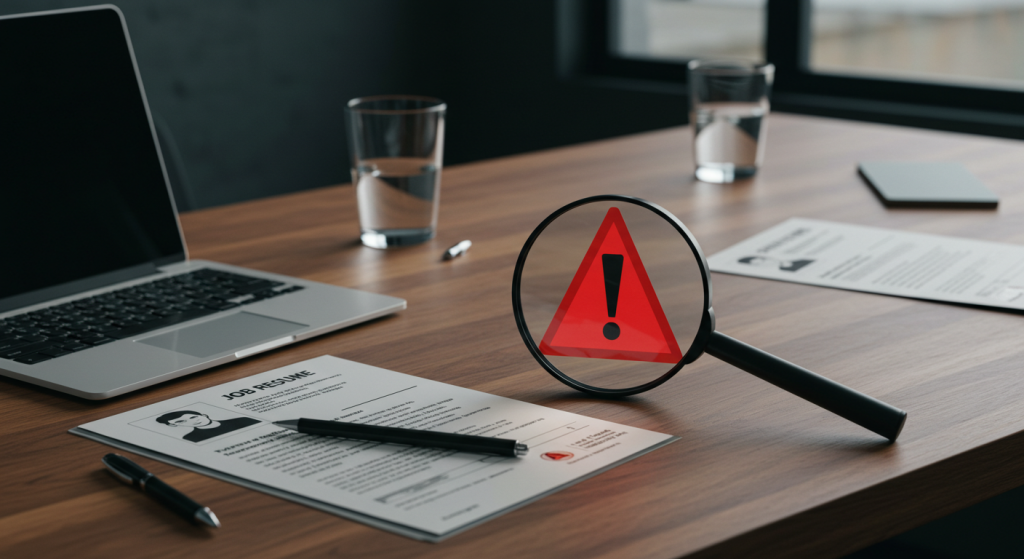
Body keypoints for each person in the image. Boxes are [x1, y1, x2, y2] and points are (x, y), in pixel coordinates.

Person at [155, 410, 260, 443]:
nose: (194, 421)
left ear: (204, 415)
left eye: (193, 417)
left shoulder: (244, 420)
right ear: (174, 425)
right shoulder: (190, 438)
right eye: (181, 421)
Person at [737, 255, 814, 272]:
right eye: (759, 264)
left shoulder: (802, 259)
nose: (768, 262)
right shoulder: (787, 271)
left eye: (763, 259)